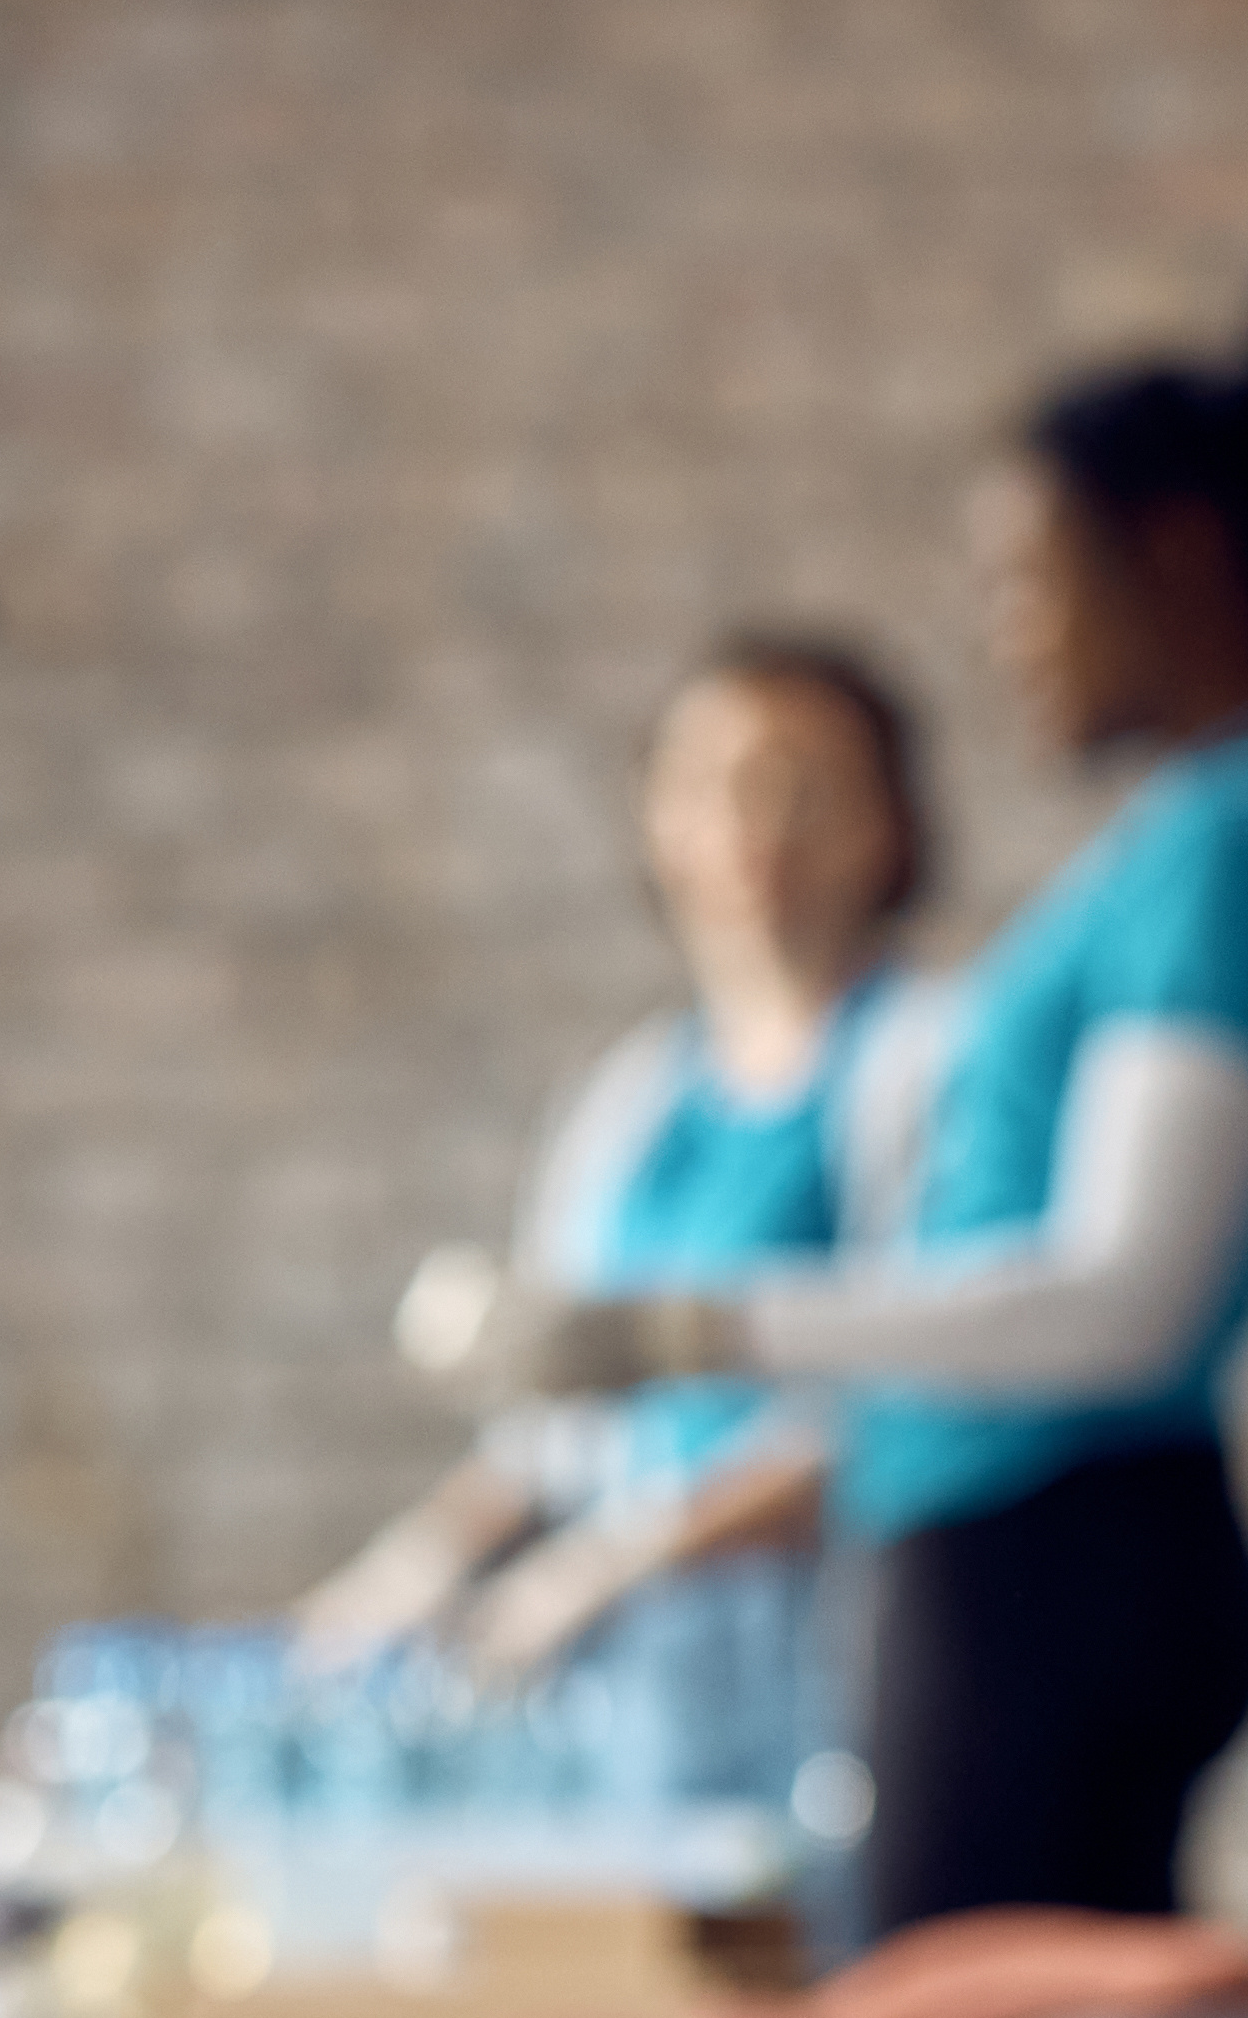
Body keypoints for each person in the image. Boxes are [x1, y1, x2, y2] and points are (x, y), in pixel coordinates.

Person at [414, 288, 1248, 1937]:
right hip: (1026, 1545)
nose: (1015, 633)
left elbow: (1122, 1301)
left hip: (1053, 1559)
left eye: (1034, 577)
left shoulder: (1235, 850)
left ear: (1170, 554)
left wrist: (688, 1328)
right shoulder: (1239, 830)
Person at [297, 633, 944, 1844]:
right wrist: (419, 1564)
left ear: (890, 825)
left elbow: (909, 1390)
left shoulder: (927, 1066)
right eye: (713, 786)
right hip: (640, 1687)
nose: (758, 827)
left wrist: (625, 1555)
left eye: (803, 788)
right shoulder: (632, 1101)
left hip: (835, 1658)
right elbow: (556, 1416)